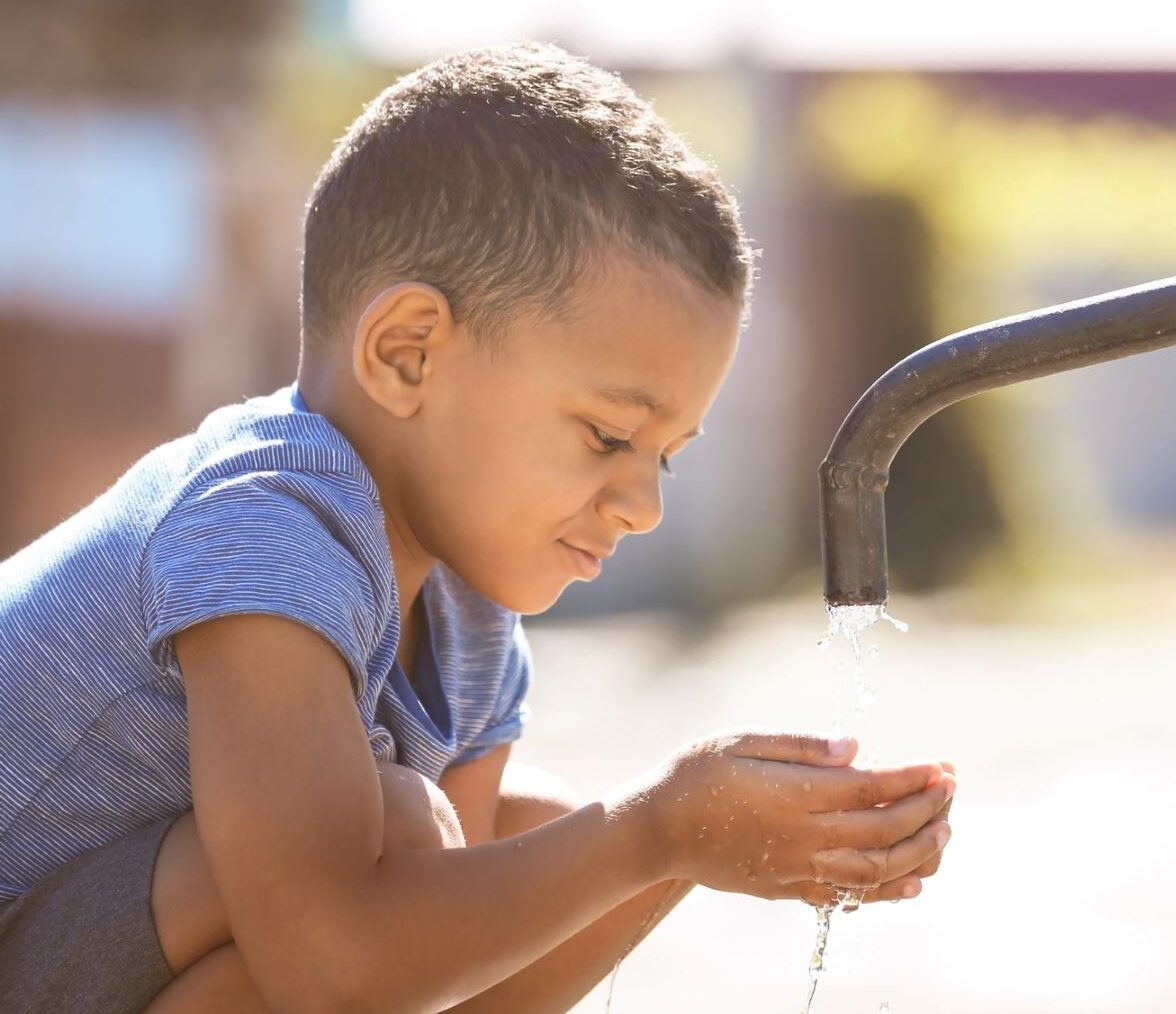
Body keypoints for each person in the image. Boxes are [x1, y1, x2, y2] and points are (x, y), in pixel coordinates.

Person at [0, 42, 955, 1012]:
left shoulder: (468, 616)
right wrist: (654, 831)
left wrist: (695, 849)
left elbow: (450, 983)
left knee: (524, 836)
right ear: (408, 355)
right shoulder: (263, 522)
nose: (643, 504)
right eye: (608, 435)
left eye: (662, 455)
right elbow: (334, 969)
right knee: (420, 834)